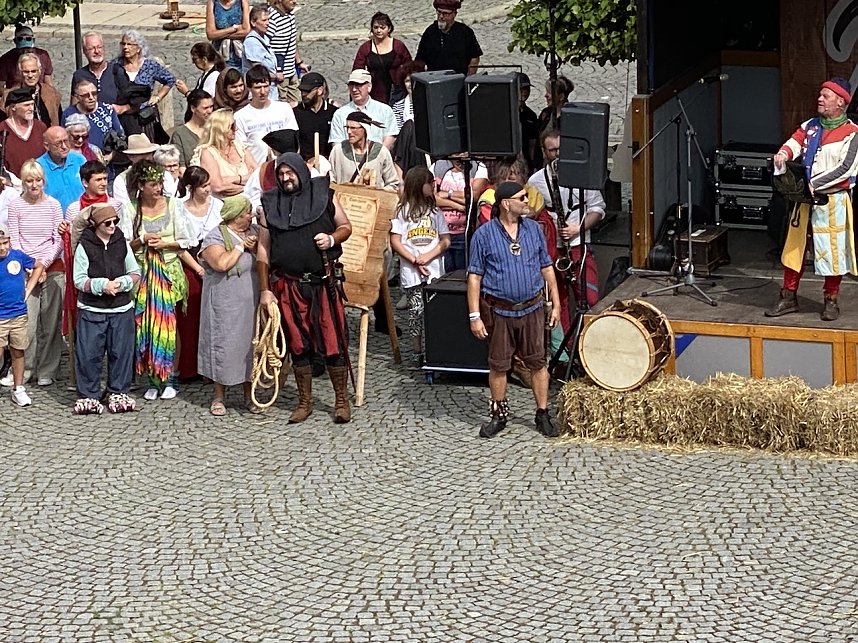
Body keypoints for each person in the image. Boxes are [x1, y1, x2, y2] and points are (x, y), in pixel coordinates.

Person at [256, 152, 353, 423]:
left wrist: (332, 239)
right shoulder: (270, 204)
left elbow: (346, 226)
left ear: (301, 170)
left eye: (291, 172)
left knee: (333, 342)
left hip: (323, 283)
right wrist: (265, 290)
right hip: (289, 285)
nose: (286, 178)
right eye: (282, 173)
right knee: (298, 345)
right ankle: (304, 401)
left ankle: (341, 401)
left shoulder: (325, 195)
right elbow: (264, 250)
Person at [466, 181, 561, 439]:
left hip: (531, 308)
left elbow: (547, 267)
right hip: (499, 311)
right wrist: (475, 316)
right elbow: (474, 277)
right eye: (522, 198)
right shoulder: (483, 236)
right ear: (506, 203)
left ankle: (542, 413)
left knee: (538, 363)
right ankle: (498, 414)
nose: (527, 202)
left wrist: (556, 303)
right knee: (498, 365)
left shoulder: (534, 230)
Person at [766, 77, 858, 322]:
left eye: (825, 96)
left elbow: (845, 168)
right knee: (794, 248)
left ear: (840, 102)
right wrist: (783, 154)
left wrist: (813, 184)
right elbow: (795, 142)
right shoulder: (811, 126)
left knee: (833, 252)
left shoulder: (852, 134)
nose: (820, 98)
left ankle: (831, 299)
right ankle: (788, 295)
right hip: (804, 198)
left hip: (832, 200)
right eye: (820, 94)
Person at [119, 159, 194, 401]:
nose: (158, 188)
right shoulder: (131, 208)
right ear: (141, 185)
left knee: (167, 324)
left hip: (168, 271)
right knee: (147, 325)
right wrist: (141, 240)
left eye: (160, 183)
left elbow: (186, 239)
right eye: (153, 184)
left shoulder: (174, 205)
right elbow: (124, 245)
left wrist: (164, 243)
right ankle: (152, 377)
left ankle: (170, 375)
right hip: (143, 273)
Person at [528, 129, 605, 330]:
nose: (558, 154)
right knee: (558, 301)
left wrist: (577, 229)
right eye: (552, 150)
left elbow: (598, 209)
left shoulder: (583, 175)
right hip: (552, 250)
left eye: (561, 149)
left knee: (590, 298)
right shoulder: (535, 181)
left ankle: (589, 343)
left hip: (579, 245)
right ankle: (565, 351)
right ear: (544, 152)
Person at [72, 205, 140, 415]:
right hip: (92, 309)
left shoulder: (121, 243)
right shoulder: (85, 245)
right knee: (89, 353)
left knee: (121, 352)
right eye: (107, 223)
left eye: (115, 222)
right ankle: (89, 394)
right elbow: (79, 279)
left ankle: (118, 391)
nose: (112, 226)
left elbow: (135, 271)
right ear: (96, 225)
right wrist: (102, 285)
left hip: (121, 309)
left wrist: (123, 282)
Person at [198, 195, 260, 414]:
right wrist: (240, 247)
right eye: (246, 213)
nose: (250, 216)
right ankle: (219, 396)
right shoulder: (214, 237)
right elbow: (221, 263)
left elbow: (267, 258)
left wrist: (255, 247)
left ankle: (249, 395)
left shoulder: (255, 232)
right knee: (223, 345)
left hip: (250, 302)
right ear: (235, 216)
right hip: (224, 303)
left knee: (250, 347)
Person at [5, 160, 64, 388]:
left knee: (50, 323)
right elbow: (16, 240)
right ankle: (25, 368)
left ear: (43, 181)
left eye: (37, 180)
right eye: (29, 180)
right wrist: (30, 267)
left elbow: (57, 239)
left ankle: (48, 369)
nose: (34, 185)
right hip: (24, 270)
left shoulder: (53, 205)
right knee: (25, 323)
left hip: (52, 268)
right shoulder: (16, 206)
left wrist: (43, 265)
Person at [390, 166, 449, 365]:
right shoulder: (402, 212)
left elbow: (445, 240)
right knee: (416, 311)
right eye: (429, 182)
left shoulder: (435, 211)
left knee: (435, 311)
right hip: (412, 271)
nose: (433, 186)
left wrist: (428, 256)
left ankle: (435, 348)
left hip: (434, 270)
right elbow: (396, 240)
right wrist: (414, 259)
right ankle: (417, 350)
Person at [176, 165, 223, 382]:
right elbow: (179, 245)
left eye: (208, 184)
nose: (208, 189)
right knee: (190, 315)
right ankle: (189, 367)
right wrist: (197, 268)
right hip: (188, 262)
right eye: (203, 186)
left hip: (215, 258)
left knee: (215, 316)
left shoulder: (218, 206)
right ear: (190, 187)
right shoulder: (178, 208)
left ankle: (213, 368)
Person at [0, 224, 45, 406]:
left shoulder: (17, 256)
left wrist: (28, 289)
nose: (3, 247)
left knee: (18, 350)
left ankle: (18, 388)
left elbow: (38, 266)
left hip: (18, 313)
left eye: (5, 242)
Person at [113, 30, 177, 140]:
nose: (125, 47)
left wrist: (158, 97)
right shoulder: (115, 65)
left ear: (138, 48)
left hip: (145, 117)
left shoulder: (149, 65)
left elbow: (170, 79)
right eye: (123, 44)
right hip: (123, 117)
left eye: (130, 44)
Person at [433, 155, 489, 272]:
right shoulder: (437, 166)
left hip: (464, 233)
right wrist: (458, 205)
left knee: (461, 273)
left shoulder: (478, 167)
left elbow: (473, 196)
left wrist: (446, 194)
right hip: (440, 233)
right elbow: (433, 198)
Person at [234, 64, 298, 165]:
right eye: (258, 87)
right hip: (257, 169)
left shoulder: (284, 108)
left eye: (265, 86)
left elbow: (294, 141)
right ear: (249, 88)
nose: (263, 92)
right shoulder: (240, 117)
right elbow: (241, 151)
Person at [328, 69, 399, 150]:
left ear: (369, 87)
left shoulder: (385, 110)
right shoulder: (340, 114)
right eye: (351, 85)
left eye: (358, 85)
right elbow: (337, 143)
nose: (354, 89)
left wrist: (377, 156)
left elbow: (390, 137)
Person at [352, 12, 412, 105]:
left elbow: (409, 67)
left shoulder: (398, 46)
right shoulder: (366, 48)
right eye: (376, 27)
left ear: (389, 29)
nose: (379, 31)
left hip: (397, 92)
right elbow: (357, 70)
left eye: (382, 27)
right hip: (375, 91)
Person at [196, 107, 258, 198]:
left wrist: (233, 179)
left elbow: (257, 176)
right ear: (221, 129)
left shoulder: (241, 147)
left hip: (251, 198)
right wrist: (247, 183)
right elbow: (217, 186)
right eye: (232, 126)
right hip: (223, 202)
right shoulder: (208, 153)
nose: (236, 129)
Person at [329, 111, 399, 190]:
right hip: (344, 200)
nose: (349, 132)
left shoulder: (382, 152)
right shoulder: (338, 151)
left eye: (353, 128)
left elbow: (393, 184)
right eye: (347, 127)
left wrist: (379, 193)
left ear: (364, 129)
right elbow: (331, 180)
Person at [415, 0, 482, 77]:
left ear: (454, 14)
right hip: (434, 80)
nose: (441, 16)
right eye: (439, 12)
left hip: (458, 80)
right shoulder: (430, 32)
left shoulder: (465, 32)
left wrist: (469, 80)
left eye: (445, 13)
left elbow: (474, 57)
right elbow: (420, 60)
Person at [63, 79, 124, 155]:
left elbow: (120, 137)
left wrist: (110, 157)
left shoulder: (108, 109)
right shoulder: (68, 114)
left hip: (107, 159)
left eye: (94, 93)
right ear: (77, 97)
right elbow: (64, 140)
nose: (91, 98)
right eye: (86, 95)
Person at [1, 53, 61, 128]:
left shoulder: (51, 93)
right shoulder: (9, 95)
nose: (30, 75)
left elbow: (58, 120)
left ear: (39, 72)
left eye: (33, 71)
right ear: (20, 73)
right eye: (26, 72)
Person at [0, 87, 48, 180]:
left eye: (32, 104)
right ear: (13, 107)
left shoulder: (40, 127)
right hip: (12, 185)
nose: (31, 109)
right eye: (26, 105)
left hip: (38, 183)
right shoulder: (2, 129)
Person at [37, 126, 87, 214]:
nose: (64, 147)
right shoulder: (38, 167)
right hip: (56, 221)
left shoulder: (79, 160)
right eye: (58, 144)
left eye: (66, 141)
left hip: (83, 216)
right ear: (46, 146)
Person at [267, 0, 309, 105]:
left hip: (292, 71)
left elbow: (292, 41)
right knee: (282, 106)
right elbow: (266, 44)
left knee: (297, 104)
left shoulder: (290, 15)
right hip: (279, 75)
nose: (294, 1)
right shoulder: (272, 17)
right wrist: (276, 71)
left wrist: (299, 62)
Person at [71, 32, 122, 108]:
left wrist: (121, 109)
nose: (96, 51)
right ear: (84, 51)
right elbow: (73, 107)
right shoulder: (79, 75)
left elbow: (131, 105)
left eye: (99, 47)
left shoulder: (117, 71)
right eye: (91, 48)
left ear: (104, 49)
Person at [293, 71, 338, 158]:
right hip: (304, 164)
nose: (303, 94)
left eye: (308, 91)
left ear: (320, 90)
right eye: (302, 91)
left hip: (328, 163)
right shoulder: (295, 113)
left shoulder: (333, 113)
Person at [169, 89, 214, 172]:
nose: (210, 111)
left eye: (211, 107)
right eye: (205, 108)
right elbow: (180, 167)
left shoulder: (214, 129)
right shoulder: (180, 134)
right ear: (193, 108)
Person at [0, 26, 53, 93]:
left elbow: (48, 82)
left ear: (33, 40)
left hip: (39, 94)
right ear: (15, 41)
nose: (25, 51)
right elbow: (1, 87)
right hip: (17, 96)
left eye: (28, 38)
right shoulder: (6, 60)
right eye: (20, 39)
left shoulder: (43, 56)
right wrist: (13, 94)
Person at [112, 133, 159, 207]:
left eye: (149, 153)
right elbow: (124, 208)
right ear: (131, 157)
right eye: (142, 155)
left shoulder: (163, 174)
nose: (147, 158)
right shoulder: (121, 180)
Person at [205, 0, 251, 70]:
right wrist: (234, 28)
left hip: (240, 53)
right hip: (220, 54)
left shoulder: (242, 2)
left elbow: (246, 31)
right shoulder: (212, 3)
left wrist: (219, 34)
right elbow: (211, 34)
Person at [517, 73, 539, 174]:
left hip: (525, 162)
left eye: (527, 89)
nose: (525, 92)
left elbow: (532, 143)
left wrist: (532, 163)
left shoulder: (531, 115)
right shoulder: (505, 112)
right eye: (521, 89)